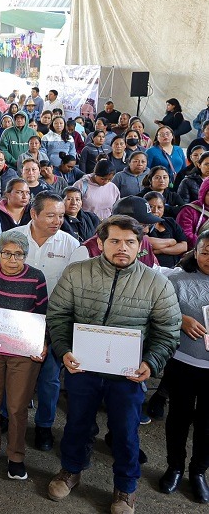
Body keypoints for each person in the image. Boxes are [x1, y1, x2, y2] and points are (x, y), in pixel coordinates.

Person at [47, 215, 181, 513]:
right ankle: (71, 470)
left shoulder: (156, 283)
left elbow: (168, 331)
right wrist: (63, 350)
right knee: (77, 423)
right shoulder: (77, 273)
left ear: (140, 245)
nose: (123, 247)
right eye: (115, 241)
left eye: (130, 242)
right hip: (82, 368)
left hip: (129, 374)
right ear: (100, 243)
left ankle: (125, 487)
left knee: (125, 429)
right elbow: (57, 316)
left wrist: (151, 361)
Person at [0, 230, 48, 480]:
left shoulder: (36, 278)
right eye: (7, 253)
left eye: (19, 254)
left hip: (22, 352)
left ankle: (16, 456)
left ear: (26, 256)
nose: (12, 259)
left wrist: (43, 343)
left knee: (17, 406)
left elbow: (42, 314)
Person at [14, 192, 80, 451]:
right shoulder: (14, 237)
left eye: (61, 216)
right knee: (15, 373)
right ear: (34, 214)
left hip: (53, 321)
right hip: (18, 319)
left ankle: (44, 426)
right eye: (51, 215)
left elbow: (74, 287)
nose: (57, 221)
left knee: (50, 378)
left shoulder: (71, 245)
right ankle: (7, 418)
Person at [160, 232, 209, 503]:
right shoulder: (176, 279)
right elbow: (158, 309)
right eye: (204, 251)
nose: (208, 258)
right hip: (183, 362)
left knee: (207, 424)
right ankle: (175, 466)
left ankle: (198, 472)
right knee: (179, 417)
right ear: (195, 252)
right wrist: (181, 319)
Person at [143, 191, 188, 268]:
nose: (155, 210)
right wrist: (171, 242)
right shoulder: (141, 224)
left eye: (159, 207)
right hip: (150, 269)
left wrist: (160, 250)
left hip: (173, 268)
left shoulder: (170, 222)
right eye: (150, 207)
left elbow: (184, 246)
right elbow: (147, 243)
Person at [177, 177, 209, 249]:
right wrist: (204, 247)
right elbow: (185, 234)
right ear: (203, 194)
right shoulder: (189, 210)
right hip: (196, 251)